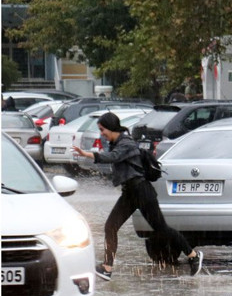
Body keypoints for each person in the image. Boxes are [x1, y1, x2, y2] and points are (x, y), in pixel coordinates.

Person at [72, 112, 203, 281]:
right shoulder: (118, 142)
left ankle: (193, 255)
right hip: (130, 193)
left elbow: (114, 157)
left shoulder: (126, 143)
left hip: (141, 190)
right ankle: (107, 267)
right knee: (110, 226)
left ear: (111, 128)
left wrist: (88, 154)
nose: (101, 133)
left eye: (102, 129)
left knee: (161, 227)